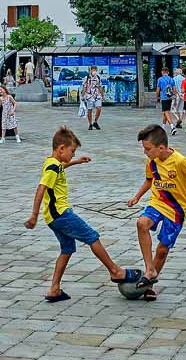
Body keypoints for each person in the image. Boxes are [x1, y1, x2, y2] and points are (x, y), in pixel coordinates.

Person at [25, 126, 141, 302]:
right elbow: (41, 188)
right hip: (62, 214)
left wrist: (76, 161)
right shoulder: (52, 168)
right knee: (92, 237)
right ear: (61, 148)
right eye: (72, 151)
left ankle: (54, 289)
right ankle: (115, 271)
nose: (72, 154)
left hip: (52, 217)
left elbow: (61, 166)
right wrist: (33, 215)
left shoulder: (52, 163)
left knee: (67, 249)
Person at [127, 124, 186, 301]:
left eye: (147, 149)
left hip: (176, 210)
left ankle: (149, 285)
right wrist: (137, 196)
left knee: (162, 250)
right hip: (157, 203)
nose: (145, 153)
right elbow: (149, 180)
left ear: (161, 147)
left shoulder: (180, 161)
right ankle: (149, 269)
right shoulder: (151, 161)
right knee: (141, 223)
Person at [81, 65, 104, 131]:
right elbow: (84, 87)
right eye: (93, 69)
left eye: (95, 70)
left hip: (97, 95)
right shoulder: (87, 77)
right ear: (90, 70)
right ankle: (90, 124)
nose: (94, 71)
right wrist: (82, 96)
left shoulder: (98, 77)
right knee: (89, 110)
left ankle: (95, 122)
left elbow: (100, 86)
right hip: (89, 95)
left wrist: (102, 95)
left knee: (99, 108)